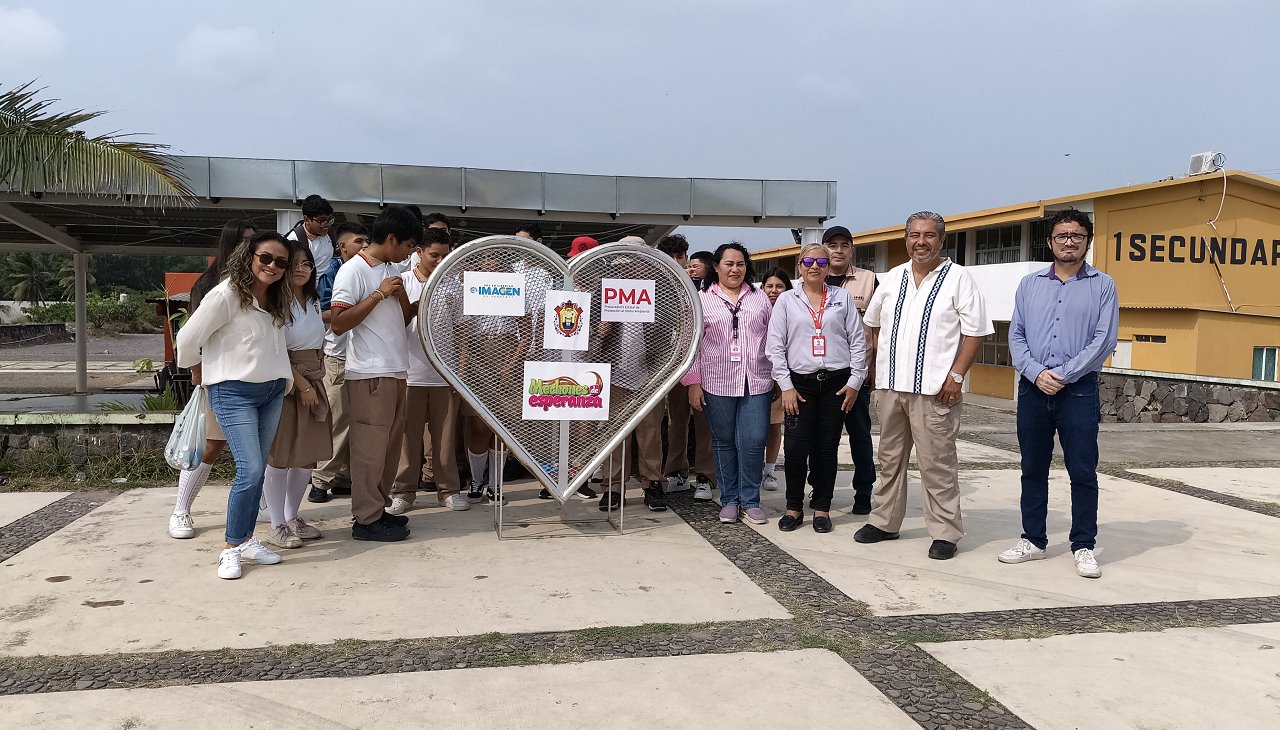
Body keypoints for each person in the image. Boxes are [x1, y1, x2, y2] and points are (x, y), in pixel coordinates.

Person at [855, 211, 992, 560]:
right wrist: (875, 368)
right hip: (890, 387)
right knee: (889, 459)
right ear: (906, 239)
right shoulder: (892, 278)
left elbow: (975, 332)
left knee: (937, 463)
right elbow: (872, 324)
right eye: (914, 235)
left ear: (941, 241)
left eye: (929, 235)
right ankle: (884, 522)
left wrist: (957, 376)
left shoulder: (959, 278)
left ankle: (945, 531)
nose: (921, 242)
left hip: (936, 390)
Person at [1000, 209, 1118, 578]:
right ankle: (1033, 539)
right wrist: (1036, 373)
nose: (1069, 241)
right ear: (1050, 242)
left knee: (1082, 470)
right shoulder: (1030, 284)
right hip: (1033, 389)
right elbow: (1015, 336)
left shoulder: (1103, 285)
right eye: (1062, 235)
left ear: (1087, 240)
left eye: (1077, 235)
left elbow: (1104, 340)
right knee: (1032, 468)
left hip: (1078, 391)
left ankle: (1084, 545)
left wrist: (1063, 375)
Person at [175, 231, 294, 579]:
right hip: (233, 392)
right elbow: (187, 338)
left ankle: (244, 540)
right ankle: (231, 548)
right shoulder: (227, 294)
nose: (272, 266)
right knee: (252, 469)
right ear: (249, 257)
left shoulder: (275, 298)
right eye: (266, 258)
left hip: (271, 392)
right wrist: (197, 370)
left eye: (281, 262)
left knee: (256, 471)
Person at [330, 206, 419, 542]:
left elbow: (406, 317)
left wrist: (403, 295)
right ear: (392, 238)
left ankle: (377, 510)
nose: (410, 252)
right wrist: (379, 294)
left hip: (396, 370)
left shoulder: (389, 269)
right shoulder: (353, 271)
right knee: (370, 449)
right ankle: (365, 519)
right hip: (369, 373)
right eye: (409, 245)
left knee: (389, 448)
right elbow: (339, 323)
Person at [766, 243, 868, 534]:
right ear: (799, 265)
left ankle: (822, 508)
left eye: (821, 262)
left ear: (828, 267)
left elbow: (857, 341)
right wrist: (785, 386)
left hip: (837, 384)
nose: (815, 266)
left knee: (826, 449)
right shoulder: (787, 299)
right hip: (800, 385)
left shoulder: (842, 298)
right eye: (808, 261)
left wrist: (854, 382)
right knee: (796, 449)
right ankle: (793, 507)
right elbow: (775, 346)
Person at [168, 219, 255, 539]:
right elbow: (193, 335)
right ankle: (181, 509)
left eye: (253, 241)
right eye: (245, 241)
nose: (251, 247)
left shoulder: (256, 282)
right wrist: (197, 370)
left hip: (254, 377)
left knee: (258, 451)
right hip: (220, 377)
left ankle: (261, 509)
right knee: (212, 445)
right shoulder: (210, 285)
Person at [684, 243, 773, 524]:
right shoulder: (701, 299)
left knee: (754, 439)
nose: (735, 269)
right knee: (723, 442)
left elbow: (774, 339)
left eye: (740, 264)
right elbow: (691, 344)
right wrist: (693, 382)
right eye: (729, 264)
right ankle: (730, 500)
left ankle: (751, 499)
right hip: (716, 380)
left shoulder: (760, 299)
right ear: (716, 266)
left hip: (756, 380)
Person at [388, 227, 469, 514]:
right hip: (409, 373)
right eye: (434, 254)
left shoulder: (453, 286)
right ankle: (404, 492)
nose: (439, 260)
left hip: (443, 375)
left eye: (445, 255)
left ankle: (448, 490)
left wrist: (458, 369)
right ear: (418, 252)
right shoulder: (402, 283)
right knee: (407, 439)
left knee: (445, 438)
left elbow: (460, 331)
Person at [260, 245, 331, 548]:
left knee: (306, 456)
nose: (302, 269)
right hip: (289, 382)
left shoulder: (313, 301)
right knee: (280, 455)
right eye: (295, 264)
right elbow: (275, 348)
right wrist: (301, 384)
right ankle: (276, 523)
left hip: (314, 378)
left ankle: (292, 516)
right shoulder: (276, 301)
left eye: (307, 263)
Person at [309, 222, 369, 503]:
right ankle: (321, 480)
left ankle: (345, 478)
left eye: (366, 241)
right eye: (358, 241)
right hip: (338, 356)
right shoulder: (331, 273)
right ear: (342, 246)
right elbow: (323, 313)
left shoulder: (370, 270)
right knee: (339, 419)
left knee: (358, 422)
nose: (364, 246)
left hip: (363, 358)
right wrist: (355, 309)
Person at [821, 225, 879, 514]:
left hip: (858, 376)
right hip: (821, 377)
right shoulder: (809, 279)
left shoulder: (869, 281)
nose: (838, 250)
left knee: (860, 437)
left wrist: (874, 369)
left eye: (845, 244)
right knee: (822, 440)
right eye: (832, 245)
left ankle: (864, 492)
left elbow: (880, 327)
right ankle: (821, 493)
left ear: (852, 250)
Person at [662, 236, 717, 499]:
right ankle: (676, 472)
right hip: (674, 368)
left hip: (706, 367)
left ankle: (706, 477)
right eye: (671, 256)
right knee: (676, 421)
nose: (679, 262)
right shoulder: (662, 290)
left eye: (682, 256)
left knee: (705, 423)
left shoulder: (710, 292)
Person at [759, 268, 793, 492]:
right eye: (769, 286)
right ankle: (751, 469)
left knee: (773, 426)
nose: (773, 291)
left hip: (782, 378)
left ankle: (769, 471)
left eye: (779, 286)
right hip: (755, 376)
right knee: (752, 428)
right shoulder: (754, 308)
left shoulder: (793, 310)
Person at [286, 194, 335, 277]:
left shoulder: (330, 234)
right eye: (322, 221)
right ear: (306, 219)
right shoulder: (295, 240)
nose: (327, 225)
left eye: (329, 220)